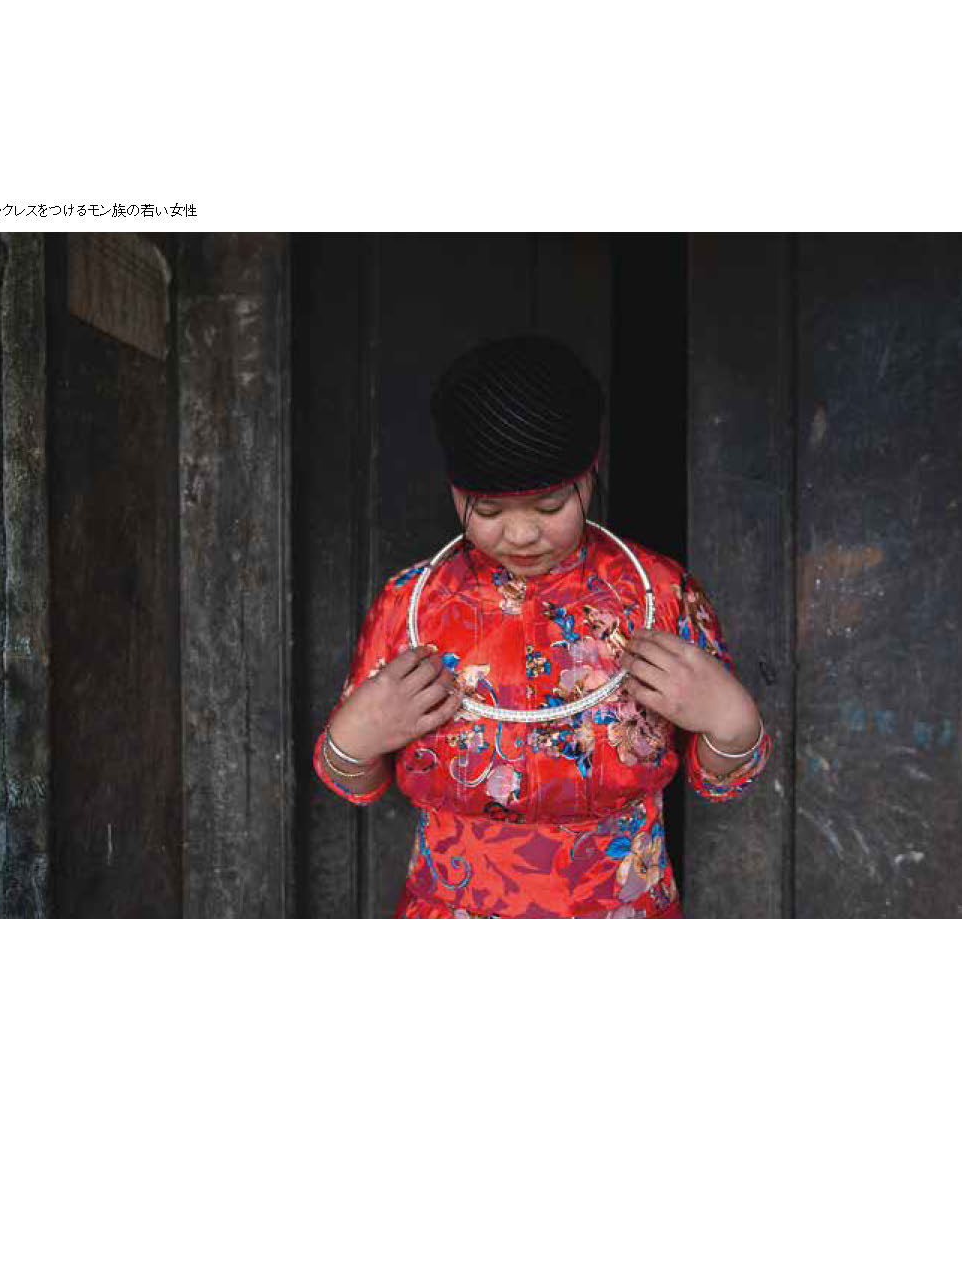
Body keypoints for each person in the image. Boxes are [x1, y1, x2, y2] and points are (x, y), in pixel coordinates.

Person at [313, 334, 772, 918]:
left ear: (591, 471)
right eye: (488, 510)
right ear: (455, 491)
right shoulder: (410, 605)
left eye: (550, 506)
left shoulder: (660, 595)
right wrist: (356, 735)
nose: (522, 534)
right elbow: (351, 780)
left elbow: (724, 776)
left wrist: (731, 719)